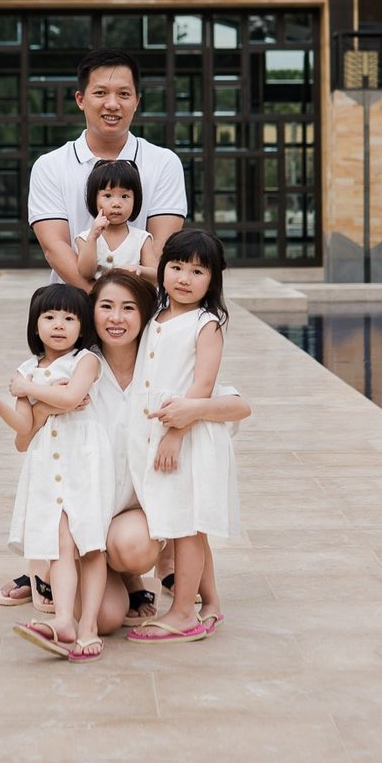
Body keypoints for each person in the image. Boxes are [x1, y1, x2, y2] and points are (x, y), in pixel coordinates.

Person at [8, 270, 251, 639]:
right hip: (86, 515)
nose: (116, 318)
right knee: (105, 621)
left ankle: (127, 574)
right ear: (92, 313)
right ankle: (59, 574)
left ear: (146, 315)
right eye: (105, 307)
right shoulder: (76, 369)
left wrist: (185, 418)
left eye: (128, 308)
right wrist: (46, 408)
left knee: (133, 546)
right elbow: (23, 442)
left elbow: (238, 405)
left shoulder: (159, 366)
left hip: (132, 519)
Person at [0, 285, 114, 662]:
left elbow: (70, 398)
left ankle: (88, 628)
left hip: (84, 458)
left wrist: (31, 391)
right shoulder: (26, 370)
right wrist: (0, 403)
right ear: (36, 324)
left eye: (69, 318)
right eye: (49, 317)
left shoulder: (86, 360)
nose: (59, 325)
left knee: (90, 543)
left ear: (82, 327)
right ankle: (64, 620)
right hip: (49, 464)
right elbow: (23, 432)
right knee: (61, 544)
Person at [124, 230, 239, 643]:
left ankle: (183, 613)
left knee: (188, 526)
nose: (184, 278)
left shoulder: (206, 324)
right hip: (155, 433)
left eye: (197, 271)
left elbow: (202, 387)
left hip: (185, 436)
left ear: (213, 280)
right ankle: (211, 604)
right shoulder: (156, 312)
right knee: (187, 524)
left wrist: (174, 434)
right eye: (176, 267)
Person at [28, 49, 187, 289]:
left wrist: (127, 303)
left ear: (136, 101)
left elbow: (161, 247)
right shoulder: (49, 166)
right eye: (100, 93)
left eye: (123, 94)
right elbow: (55, 247)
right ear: (80, 99)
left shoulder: (164, 163)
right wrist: (103, 300)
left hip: (142, 305)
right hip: (72, 310)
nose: (112, 104)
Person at [74, 158, 159, 285]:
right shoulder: (85, 238)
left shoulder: (142, 238)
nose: (116, 204)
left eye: (125, 196)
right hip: (96, 303)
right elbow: (86, 273)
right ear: (94, 199)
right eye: (108, 196)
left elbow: (156, 276)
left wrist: (140, 269)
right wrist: (93, 237)